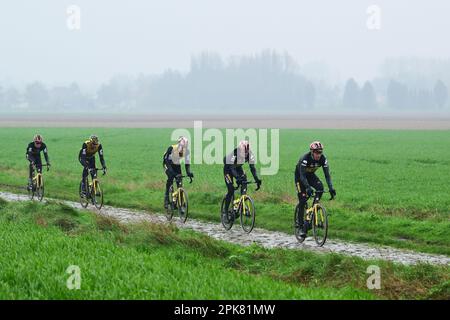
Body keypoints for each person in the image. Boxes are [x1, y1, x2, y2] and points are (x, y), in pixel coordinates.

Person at [295, 141, 336, 238]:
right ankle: (301, 227)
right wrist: (308, 187)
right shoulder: (305, 159)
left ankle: (312, 212)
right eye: (317, 152)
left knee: (320, 188)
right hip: (300, 177)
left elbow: (327, 175)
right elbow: (302, 176)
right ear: (312, 152)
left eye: (320, 152)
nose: (318, 154)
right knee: (303, 199)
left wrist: (331, 188)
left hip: (310, 175)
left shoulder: (323, 159)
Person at [223, 140, 262, 216]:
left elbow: (252, 168)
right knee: (230, 190)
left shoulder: (250, 154)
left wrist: (257, 179)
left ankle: (242, 202)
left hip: (237, 168)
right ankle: (225, 211)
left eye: (246, 153)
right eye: (243, 153)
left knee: (244, 179)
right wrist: (237, 178)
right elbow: (231, 168)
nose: (245, 155)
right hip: (228, 169)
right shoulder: (235, 153)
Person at [163, 136, 194, 209]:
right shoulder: (172, 148)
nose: (183, 149)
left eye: (185, 147)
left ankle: (178, 202)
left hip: (176, 164)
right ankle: (166, 198)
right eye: (182, 146)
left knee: (179, 180)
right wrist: (171, 171)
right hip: (167, 163)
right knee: (170, 177)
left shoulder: (187, 151)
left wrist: (188, 172)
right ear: (179, 144)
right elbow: (166, 161)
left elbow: (187, 163)